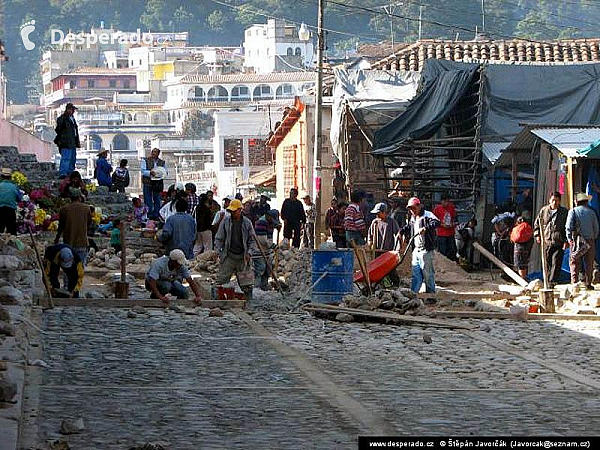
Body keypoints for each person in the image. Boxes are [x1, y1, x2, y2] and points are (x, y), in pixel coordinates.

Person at [214, 199, 257, 303]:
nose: (232, 213)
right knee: (221, 280)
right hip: (229, 256)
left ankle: (248, 303)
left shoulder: (247, 223)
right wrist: (218, 252)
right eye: (231, 211)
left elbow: (252, 240)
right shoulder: (226, 222)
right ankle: (217, 300)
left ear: (240, 210)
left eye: (234, 211)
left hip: (242, 257)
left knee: (246, 283)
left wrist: (249, 253)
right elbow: (219, 238)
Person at [400, 197, 440, 294]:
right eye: (410, 209)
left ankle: (430, 295)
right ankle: (413, 294)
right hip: (416, 249)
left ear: (419, 206)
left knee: (428, 273)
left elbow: (437, 222)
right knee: (416, 273)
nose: (412, 211)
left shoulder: (427, 215)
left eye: (414, 208)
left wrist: (425, 228)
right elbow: (409, 226)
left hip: (425, 249)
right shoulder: (413, 217)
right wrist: (401, 231)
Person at [533, 192, 568, 286]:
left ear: (559, 201)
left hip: (558, 241)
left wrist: (566, 241)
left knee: (556, 262)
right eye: (553, 200)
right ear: (549, 200)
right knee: (546, 262)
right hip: (546, 241)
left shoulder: (564, 212)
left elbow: (567, 227)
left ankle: (553, 281)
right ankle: (547, 280)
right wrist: (537, 235)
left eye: (556, 201)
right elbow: (537, 224)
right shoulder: (544, 210)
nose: (554, 202)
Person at [566, 192, 599, 289]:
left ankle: (574, 283)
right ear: (586, 202)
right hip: (590, 240)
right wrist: (593, 238)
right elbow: (596, 228)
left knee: (574, 262)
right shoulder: (592, 212)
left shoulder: (573, 212)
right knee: (589, 263)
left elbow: (568, 227)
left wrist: (569, 239)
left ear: (577, 202)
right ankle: (588, 283)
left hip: (576, 240)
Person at [54, 187, 92, 265]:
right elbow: (89, 225)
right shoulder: (87, 208)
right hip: (82, 242)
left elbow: (61, 226)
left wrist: (57, 239)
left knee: (68, 268)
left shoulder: (64, 209)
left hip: (68, 243)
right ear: (79, 197)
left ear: (70, 198)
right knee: (80, 269)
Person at [368, 202, 401, 286]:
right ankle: (379, 285)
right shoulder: (374, 222)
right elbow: (370, 236)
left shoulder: (391, 222)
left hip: (387, 251)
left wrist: (398, 248)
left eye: (378, 213)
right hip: (377, 251)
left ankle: (396, 284)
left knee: (390, 270)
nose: (377, 216)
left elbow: (398, 235)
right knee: (377, 270)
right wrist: (370, 245)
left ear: (384, 212)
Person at [252, 210, 281, 290]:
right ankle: (256, 287)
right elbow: (262, 240)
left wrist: (278, 226)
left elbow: (275, 224)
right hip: (258, 250)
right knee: (260, 268)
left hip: (267, 251)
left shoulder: (270, 221)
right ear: (268, 216)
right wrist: (273, 246)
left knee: (268, 270)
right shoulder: (261, 223)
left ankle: (264, 286)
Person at [54, 102, 81, 179]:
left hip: (72, 142)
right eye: (72, 110)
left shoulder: (72, 119)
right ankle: (63, 173)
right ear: (68, 109)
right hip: (66, 142)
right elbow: (58, 129)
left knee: (72, 159)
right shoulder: (63, 118)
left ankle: (70, 173)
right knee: (66, 158)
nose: (73, 111)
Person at [141, 148, 166, 220]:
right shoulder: (145, 160)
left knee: (157, 199)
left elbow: (165, 171)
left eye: (155, 152)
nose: (153, 153)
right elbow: (143, 171)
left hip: (157, 183)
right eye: (153, 152)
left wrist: (160, 174)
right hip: (148, 182)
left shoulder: (162, 162)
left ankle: (157, 214)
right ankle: (149, 214)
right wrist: (150, 173)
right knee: (148, 199)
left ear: (158, 154)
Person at [433, 194, 457, 261]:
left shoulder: (451, 207)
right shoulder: (437, 208)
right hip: (441, 234)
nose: (446, 203)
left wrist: (452, 223)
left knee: (452, 250)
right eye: (445, 201)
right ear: (441, 201)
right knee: (442, 252)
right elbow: (434, 221)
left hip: (450, 233)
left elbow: (454, 218)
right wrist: (441, 224)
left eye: (448, 201)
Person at [510, 216, 534, 280]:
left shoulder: (517, 228)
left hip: (518, 248)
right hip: (526, 249)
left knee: (520, 265)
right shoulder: (528, 227)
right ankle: (523, 278)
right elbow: (531, 240)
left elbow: (513, 239)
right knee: (523, 265)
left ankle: (522, 279)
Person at [0, 168, 22, 235]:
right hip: (10, 210)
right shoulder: (14, 187)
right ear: (10, 177)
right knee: (12, 230)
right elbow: (19, 198)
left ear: (2, 177)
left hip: (0, 210)